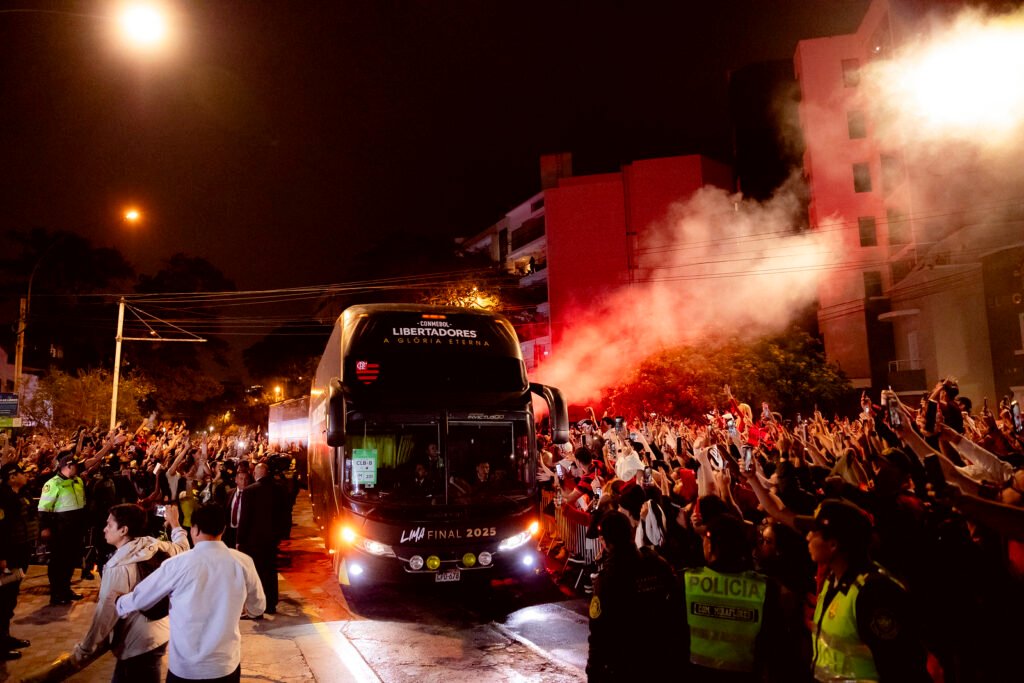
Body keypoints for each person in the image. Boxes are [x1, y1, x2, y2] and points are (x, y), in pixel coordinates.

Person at [115, 503, 265, 683]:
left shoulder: (177, 564)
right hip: (225, 665)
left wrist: (119, 603)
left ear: (195, 529)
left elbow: (141, 599)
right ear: (223, 529)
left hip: (185, 668)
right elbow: (258, 607)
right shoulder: (243, 562)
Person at [800, 499, 930, 682]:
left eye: (814, 533)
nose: (807, 537)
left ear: (833, 545)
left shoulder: (874, 593)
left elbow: (901, 668)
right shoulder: (836, 580)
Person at [72, 503, 190, 682]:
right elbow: (183, 549)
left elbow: (106, 613)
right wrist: (175, 525)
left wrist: (84, 650)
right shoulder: (156, 546)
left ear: (123, 530)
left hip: (137, 642)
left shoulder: (118, 566)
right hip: (161, 632)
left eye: (109, 525)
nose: (104, 529)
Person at [587, 510, 677, 681]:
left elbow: (598, 632)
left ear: (604, 542)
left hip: (625, 662)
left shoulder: (608, 578)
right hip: (659, 656)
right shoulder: (658, 564)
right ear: (631, 532)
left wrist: (593, 670)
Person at [38, 453, 87, 604]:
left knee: (71, 560)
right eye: (76, 466)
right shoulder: (52, 484)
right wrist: (45, 528)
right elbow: (43, 508)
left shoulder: (78, 481)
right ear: (68, 466)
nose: (78, 469)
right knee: (58, 561)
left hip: (76, 527)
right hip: (60, 528)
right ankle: (56, 593)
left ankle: (66, 589)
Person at [236, 462, 284, 614]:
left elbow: (244, 518)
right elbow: (284, 513)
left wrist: (240, 540)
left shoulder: (250, 491)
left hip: (253, 540)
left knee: (256, 573)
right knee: (270, 570)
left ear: (256, 474)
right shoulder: (278, 489)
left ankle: (257, 604)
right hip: (271, 539)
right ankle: (271, 603)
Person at [0, 463, 36, 661]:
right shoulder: (3, 497)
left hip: (21, 550)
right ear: (11, 477)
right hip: (9, 553)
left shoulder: (22, 494)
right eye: (22, 473)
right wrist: (2, 557)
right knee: (3, 599)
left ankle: (5, 637)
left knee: (10, 598)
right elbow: (2, 529)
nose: (26, 475)